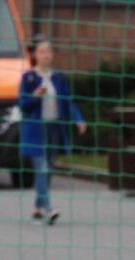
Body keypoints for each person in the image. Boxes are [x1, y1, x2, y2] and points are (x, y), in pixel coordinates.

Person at [18, 37, 86, 226]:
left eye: (48, 51)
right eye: (42, 52)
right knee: (41, 167)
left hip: (54, 129)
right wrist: (35, 96)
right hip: (35, 130)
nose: (46, 55)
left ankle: (37, 207)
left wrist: (78, 119)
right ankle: (48, 209)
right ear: (35, 55)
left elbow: (68, 101)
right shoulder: (29, 78)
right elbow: (22, 104)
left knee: (49, 168)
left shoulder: (59, 78)